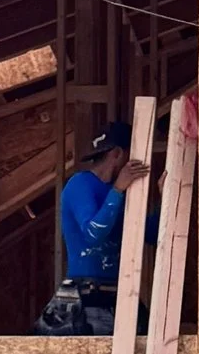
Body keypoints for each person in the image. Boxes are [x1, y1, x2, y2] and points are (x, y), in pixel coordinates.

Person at [36, 120, 145, 335]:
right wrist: (117, 190)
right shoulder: (80, 184)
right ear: (117, 154)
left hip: (117, 294)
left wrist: (165, 197)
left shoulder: (118, 192)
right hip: (83, 295)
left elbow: (148, 232)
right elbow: (93, 233)